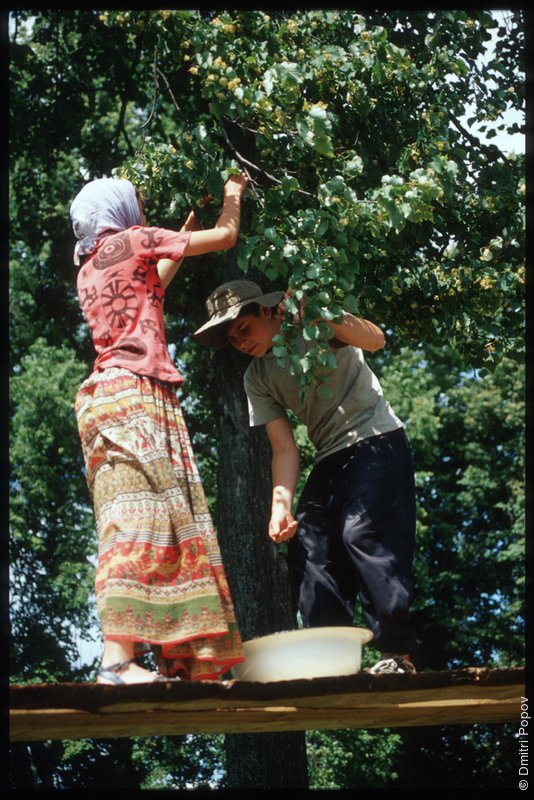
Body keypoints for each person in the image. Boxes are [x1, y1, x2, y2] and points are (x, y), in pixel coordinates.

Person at [71, 174, 248, 684]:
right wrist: (233, 190)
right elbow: (227, 237)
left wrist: (179, 234)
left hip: (106, 397)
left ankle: (172, 661)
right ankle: (118, 662)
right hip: (135, 394)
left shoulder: (90, 267)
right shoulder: (135, 240)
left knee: (153, 521)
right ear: (120, 210)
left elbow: (149, 289)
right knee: (141, 523)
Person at [194, 280, 418, 674]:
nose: (240, 342)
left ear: (265, 311)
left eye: (243, 329)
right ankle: (331, 664)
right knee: (310, 549)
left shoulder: (311, 327)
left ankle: (397, 654)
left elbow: (376, 340)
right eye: (232, 338)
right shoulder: (256, 379)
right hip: (330, 456)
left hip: (376, 438)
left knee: (361, 534)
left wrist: (316, 311)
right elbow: (284, 448)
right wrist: (280, 507)